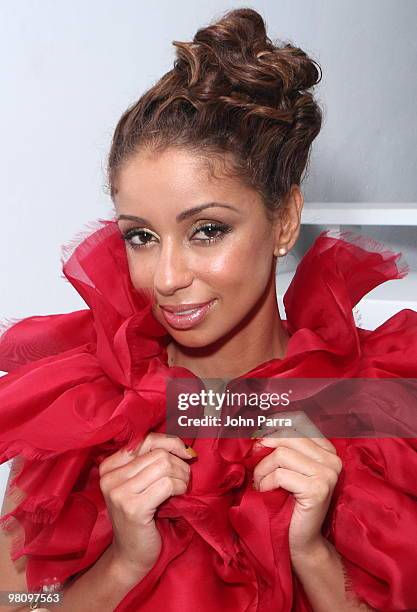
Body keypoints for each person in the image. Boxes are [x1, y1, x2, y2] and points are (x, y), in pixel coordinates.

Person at [1, 7, 417, 612]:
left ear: (285, 219)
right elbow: (19, 605)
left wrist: (314, 557)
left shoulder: (377, 406)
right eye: (141, 236)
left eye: (207, 231)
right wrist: (123, 565)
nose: (166, 279)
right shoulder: (85, 405)